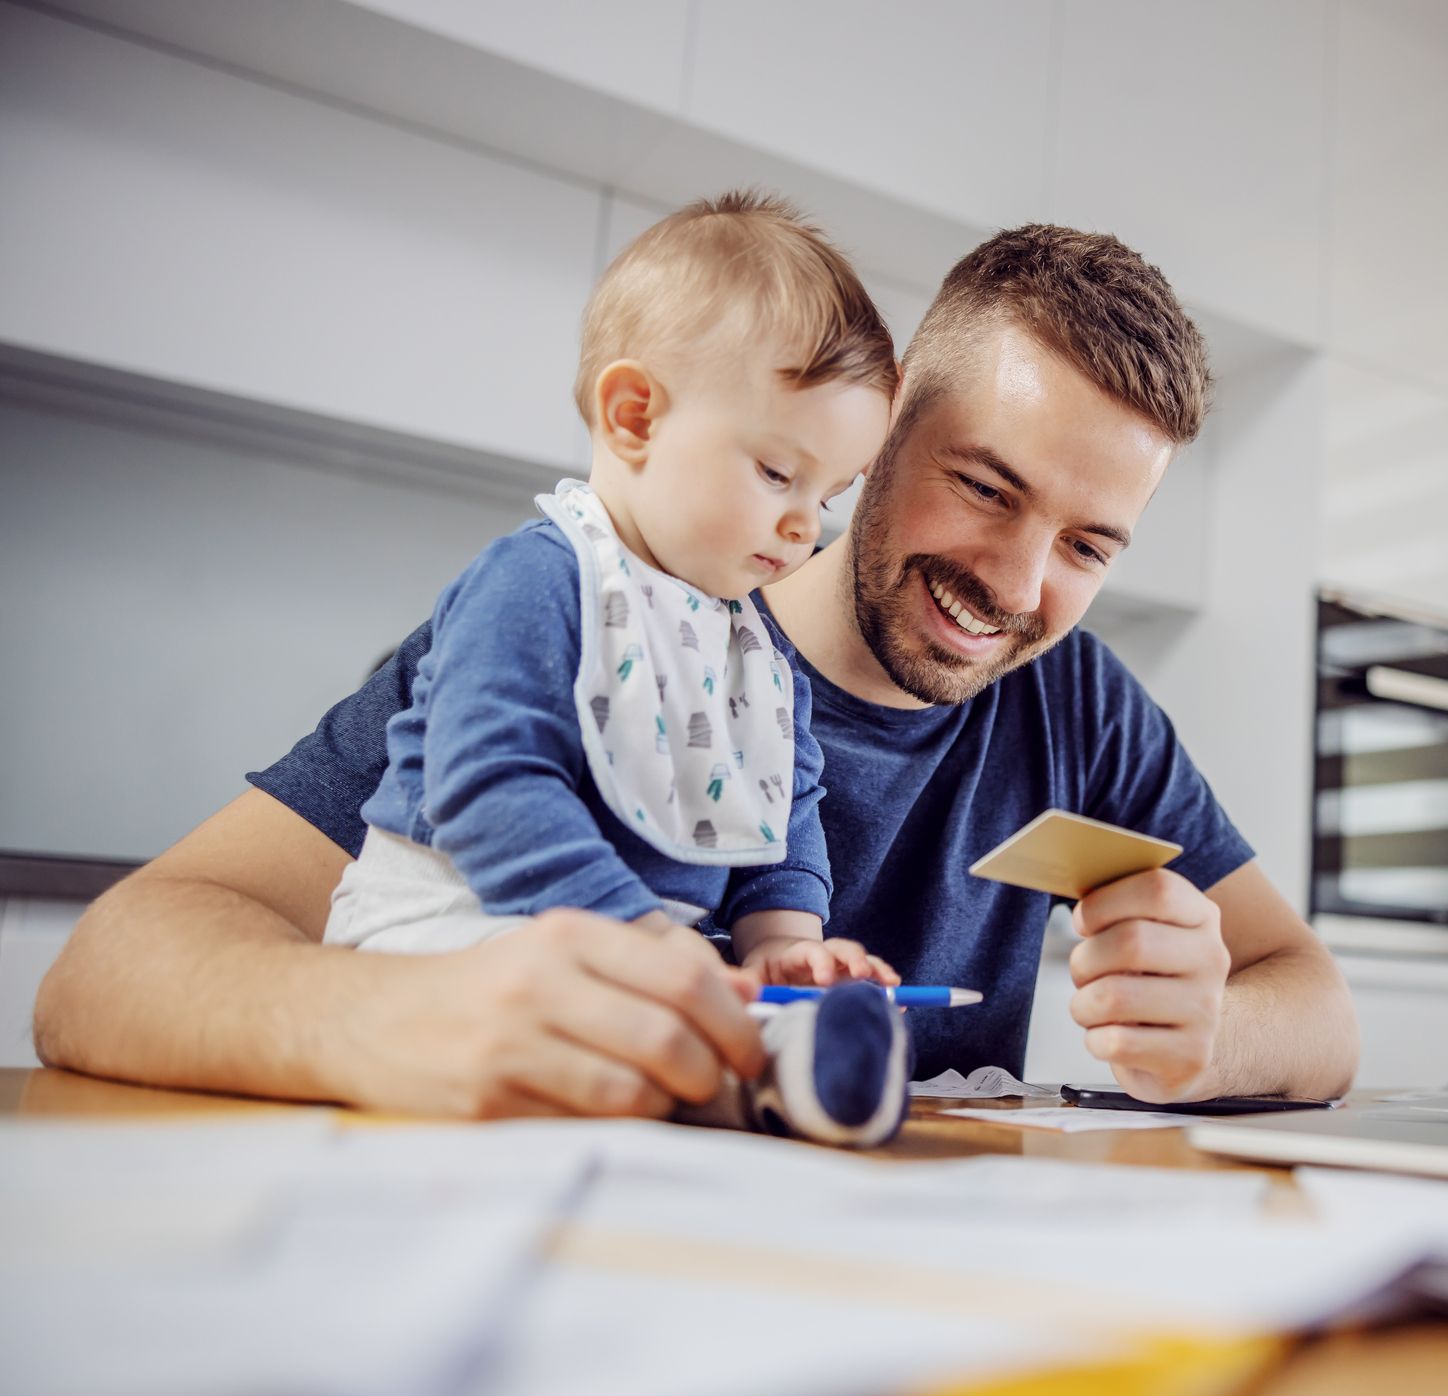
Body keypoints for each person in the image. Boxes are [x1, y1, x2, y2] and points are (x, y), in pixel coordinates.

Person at [34, 222, 1360, 1119]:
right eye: (984, 486)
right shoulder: (575, 620)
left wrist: (1207, 1034)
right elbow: (104, 970)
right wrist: (384, 1019)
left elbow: (1314, 1006)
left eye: (1087, 543)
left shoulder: (1080, 710)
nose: (1017, 586)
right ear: (879, 427)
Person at [321, 191, 896, 995]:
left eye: (826, 497)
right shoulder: (540, 582)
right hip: (442, 942)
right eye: (776, 474)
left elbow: (781, 820)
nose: (805, 528)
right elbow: (488, 786)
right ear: (634, 418)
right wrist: (640, 933)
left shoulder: (754, 656)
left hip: (626, 963)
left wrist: (782, 943)